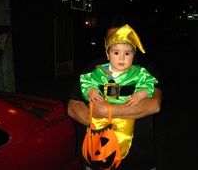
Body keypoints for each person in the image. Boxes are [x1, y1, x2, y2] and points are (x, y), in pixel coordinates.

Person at [68, 18, 162, 170]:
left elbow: (154, 104)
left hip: (139, 160)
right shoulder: (95, 69)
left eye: (127, 52)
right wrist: (99, 123)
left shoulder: (142, 70)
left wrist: (109, 111)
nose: (121, 57)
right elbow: (73, 106)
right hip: (98, 154)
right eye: (115, 49)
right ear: (107, 47)